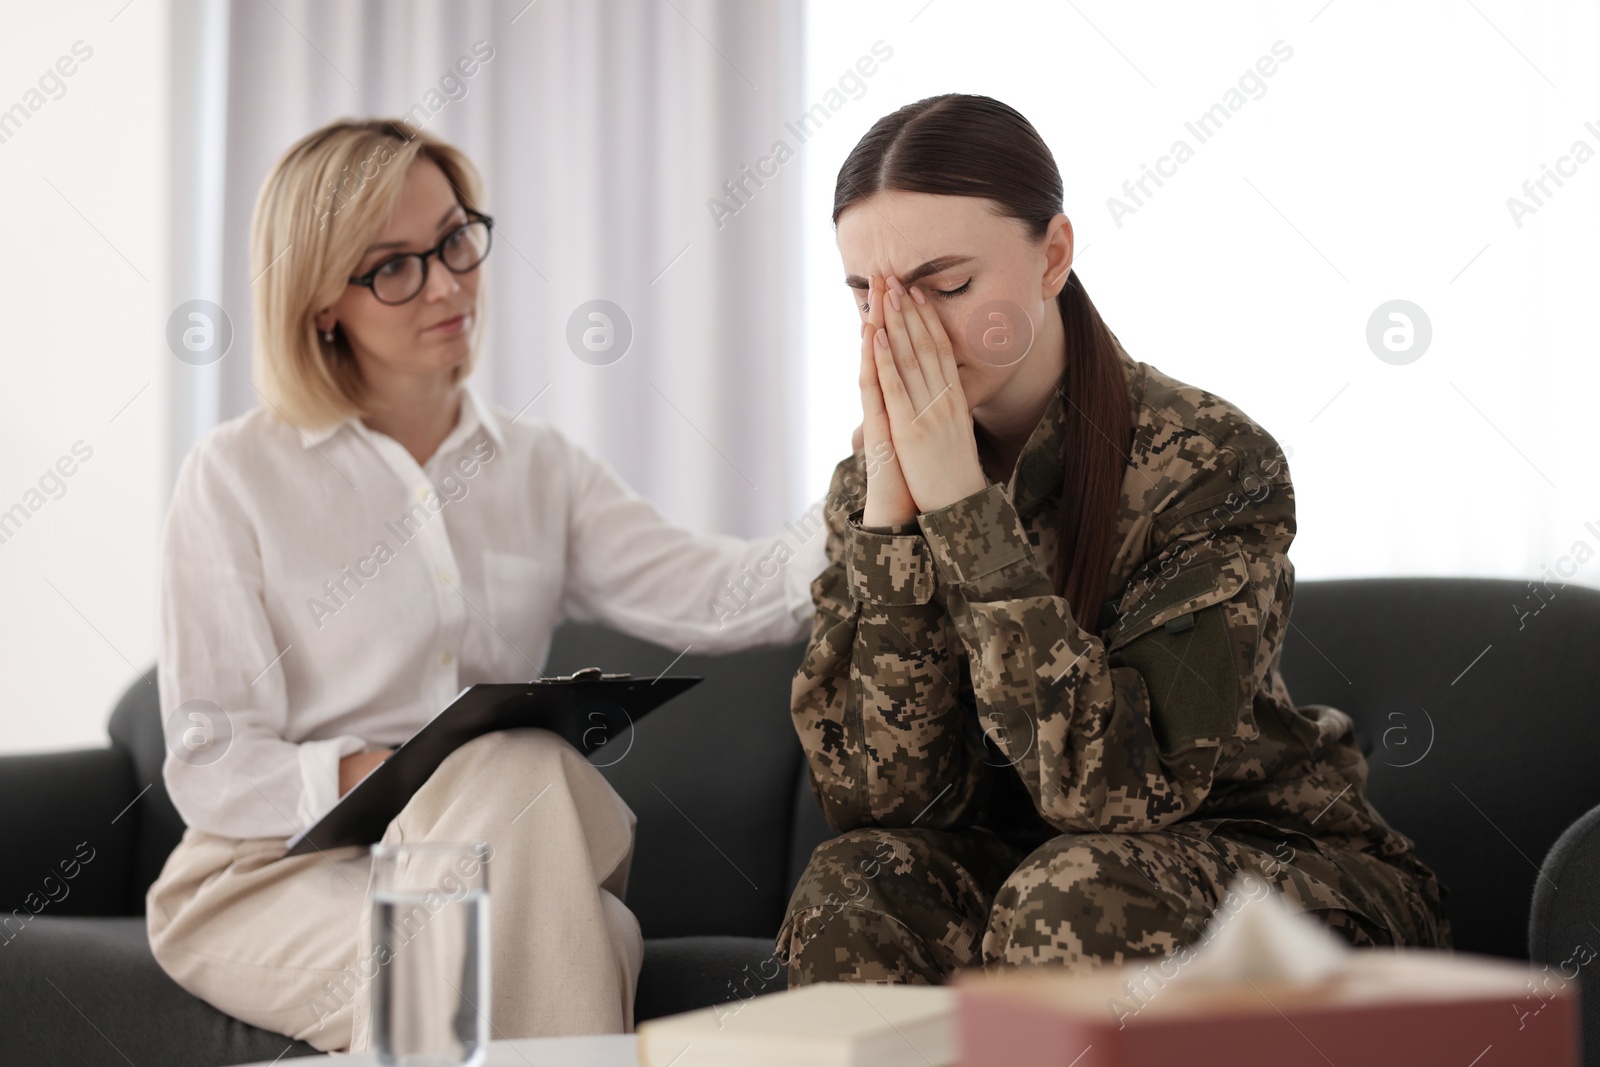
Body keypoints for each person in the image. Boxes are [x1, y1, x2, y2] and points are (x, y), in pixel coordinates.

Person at [145, 118, 825, 1052]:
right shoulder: (234, 475)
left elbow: (722, 593)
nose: (449, 283)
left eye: (457, 238)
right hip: (265, 881)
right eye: (394, 266)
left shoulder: (540, 468)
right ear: (320, 303)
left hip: (498, 853)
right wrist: (407, 773)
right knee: (565, 905)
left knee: (512, 787)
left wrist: (869, 495)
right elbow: (211, 759)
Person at [777, 93, 1450, 985]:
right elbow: (882, 803)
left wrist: (962, 509)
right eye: (868, 295)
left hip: (1276, 870)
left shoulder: (1212, 459)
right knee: (849, 889)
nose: (900, 335)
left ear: (1053, 256)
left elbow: (1115, 794)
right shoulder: (871, 487)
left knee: (1073, 895)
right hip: (1035, 869)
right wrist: (895, 519)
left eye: (947, 287)